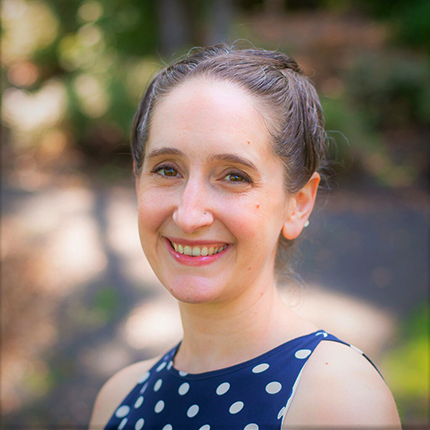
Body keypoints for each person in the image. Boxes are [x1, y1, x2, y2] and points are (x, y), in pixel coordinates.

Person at [89, 44, 401, 429]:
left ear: (298, 204)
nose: (189, 214)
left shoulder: (336, 400)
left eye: (234, 176)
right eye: (167, 170)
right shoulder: (118, 398)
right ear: (138, 181)